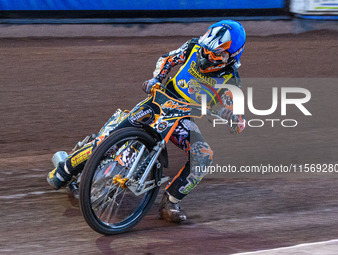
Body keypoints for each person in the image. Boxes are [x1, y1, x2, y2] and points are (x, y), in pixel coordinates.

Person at [47, 19, 246, 223]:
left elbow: (233, 109)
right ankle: (64, 170)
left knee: (203, 156)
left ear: (232, 56)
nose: (208, 56)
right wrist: (156, 79)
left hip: (181, 119)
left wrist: (234, 119)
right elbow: (167, 59)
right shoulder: (193, 46)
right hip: (158, 102)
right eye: (207, 49)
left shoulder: (232, 80)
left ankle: (171, 202)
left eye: (216, 54)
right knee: (110, 138)